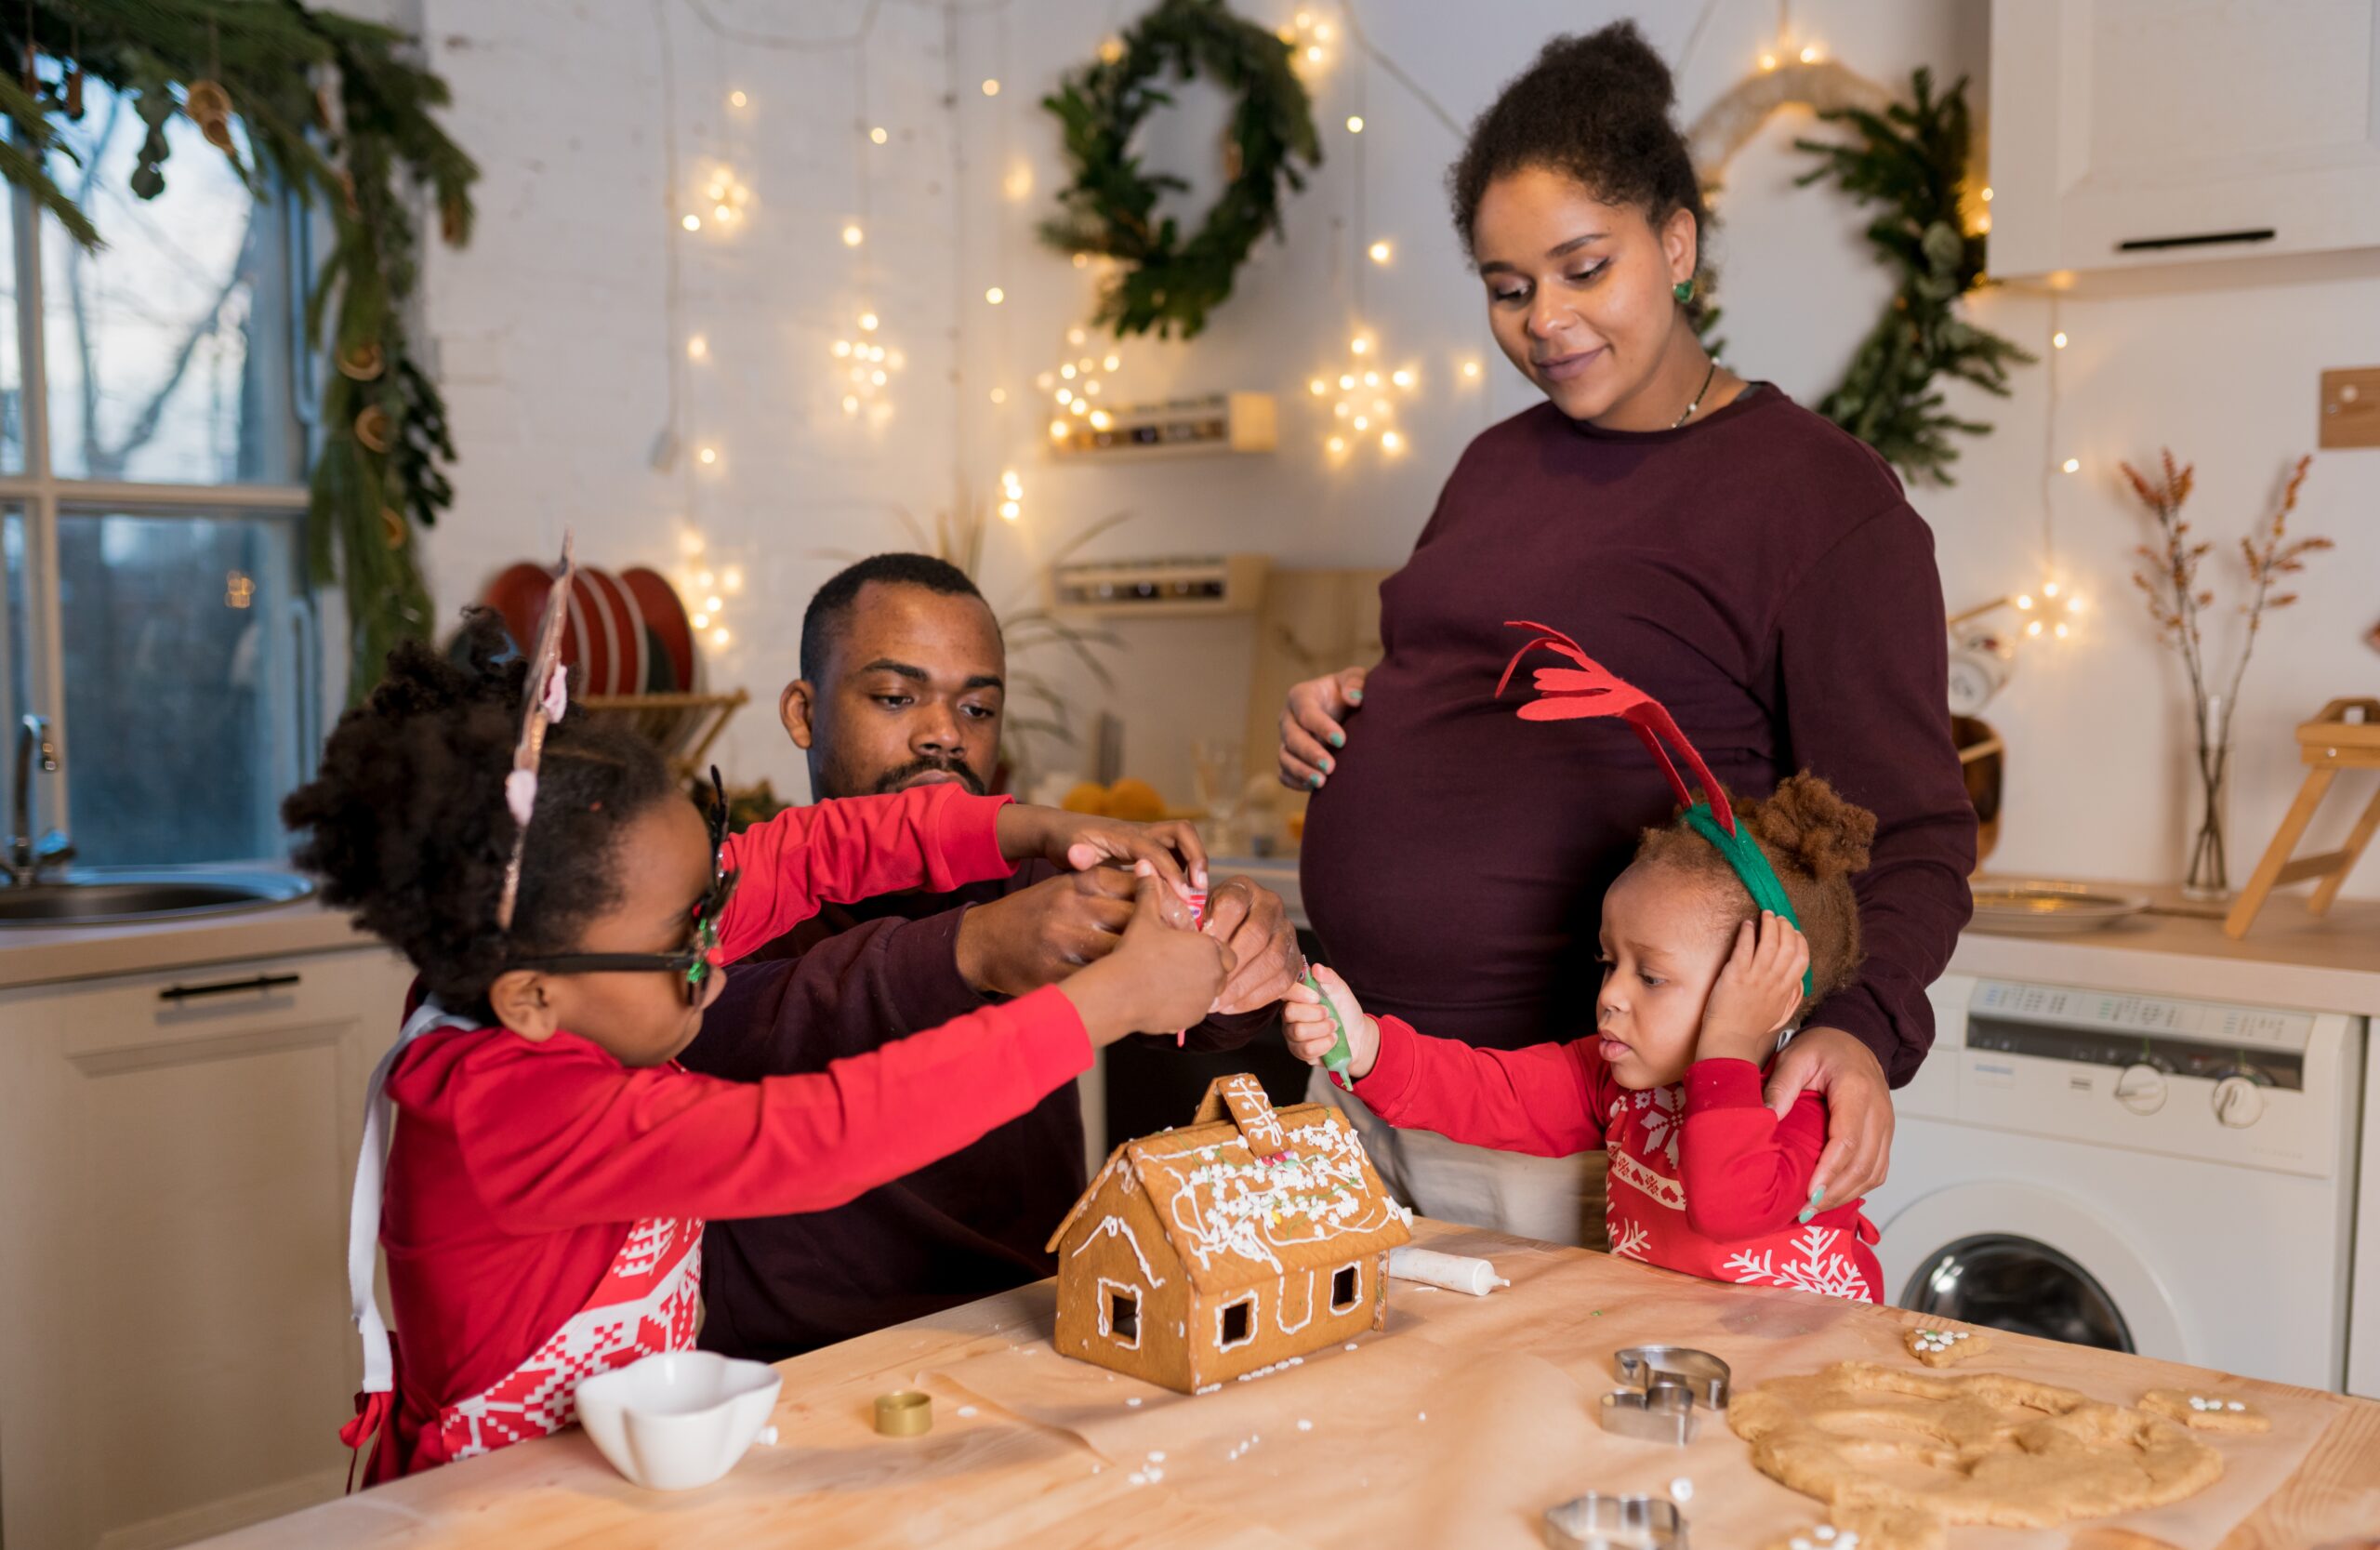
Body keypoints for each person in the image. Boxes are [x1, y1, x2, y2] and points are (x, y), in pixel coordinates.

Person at [1278, 22, 1976, 1247]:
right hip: (1373, 1079)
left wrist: (1861, 1027)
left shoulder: (1818, 500)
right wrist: (1362, 703)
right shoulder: (1495, 464)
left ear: (1677, 242)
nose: (1545, 319)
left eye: (1583, 268)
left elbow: (1912, 834)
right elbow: (1473, 666)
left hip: (1585, 1134)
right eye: (1508, 288)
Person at [287, 610, 1230, 1481]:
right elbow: (822, 1133)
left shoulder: (588, 947)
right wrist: (1107, 1003)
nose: (720, 945)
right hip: (494, 1506)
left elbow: (818, 849)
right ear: (531, 996)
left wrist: (1038, 827)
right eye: (689, 933)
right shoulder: (511, 1106)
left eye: (714, 907)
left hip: (612, 1476)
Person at [681, 554, 1302, 1359]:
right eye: (896, 697)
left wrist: (1243, 955)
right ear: (804, 712)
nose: (945, 732)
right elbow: (744, 1024)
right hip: (799, 1363)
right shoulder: (726, 898)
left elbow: (1186, 1009)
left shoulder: (1047, 877)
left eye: (977, 707)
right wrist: (973, 949)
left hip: (1040, 1332)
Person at [1288, 739, 1887, 1301]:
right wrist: (1368, 1047)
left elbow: (1726, 1206)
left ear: (1770, 998)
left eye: (1650, 977)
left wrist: (1727, 1045)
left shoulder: (1807, 1111)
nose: (1611, 996)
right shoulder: (1616, 1079)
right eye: (1610, 963)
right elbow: (1492, 1091)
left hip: (1800, 1371)